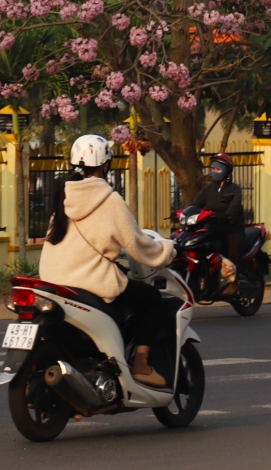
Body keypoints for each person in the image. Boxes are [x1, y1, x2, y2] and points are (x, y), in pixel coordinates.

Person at [39, 134, 177, 388]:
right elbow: (139, 247)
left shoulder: (63, 196)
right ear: (104, 165)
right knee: (151, 300)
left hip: (52, 280)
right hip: (90, 282)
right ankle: (141, 365)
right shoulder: (110, 200)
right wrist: (169, 250)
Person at [183, 152, 246, 281]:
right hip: (212, 228)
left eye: (218, 169)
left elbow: (234, 207)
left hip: (231, 228)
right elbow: (196, 204)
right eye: (213, 168)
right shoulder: (207, 189)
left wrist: (226, 215)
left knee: (233, 251)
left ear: (226, 171)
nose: (214, 171)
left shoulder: (234, 189)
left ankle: (232, 283)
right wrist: (185, 213)